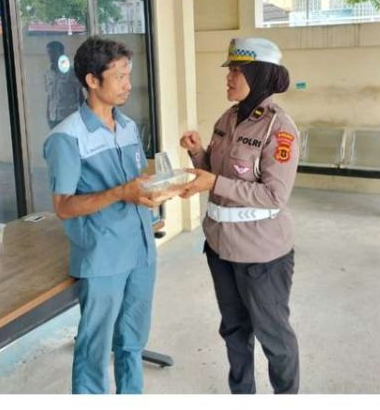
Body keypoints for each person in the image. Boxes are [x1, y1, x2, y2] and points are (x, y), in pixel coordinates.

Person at [179, 37, 300, 394]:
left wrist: (213, 179)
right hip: (220, 248)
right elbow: (215, 175)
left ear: (259, 74)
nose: (229, 78)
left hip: (261, 255)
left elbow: (273, 195)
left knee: (273, 337)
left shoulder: (279, 129)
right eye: (229, 70)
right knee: (234, 330)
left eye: (237, 70)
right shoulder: (227, 119)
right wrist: (197, 153)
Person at [43, 37, 159, 394]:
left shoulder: (126, 126)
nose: (127, 84)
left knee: (132, 341)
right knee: (95, 347)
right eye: (119, 76)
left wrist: (160, 185)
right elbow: (63, 207)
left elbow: (135, 181)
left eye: (129, 74)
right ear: (92, 81)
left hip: (141, 251)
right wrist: (121, 192)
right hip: (103, 257)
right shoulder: (67, 138)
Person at [45, 40, 85, 129]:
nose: (51, 56)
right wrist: (48, 115)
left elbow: (80, 95)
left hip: (68, 117)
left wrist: (84, 117)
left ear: (61, 53)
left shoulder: (71, 73)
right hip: (54, 118)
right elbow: (50, 97)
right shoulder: (48, 74)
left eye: (53, 52)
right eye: (49, 53)